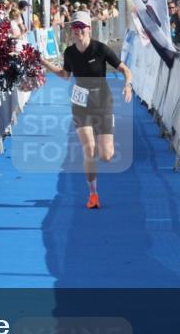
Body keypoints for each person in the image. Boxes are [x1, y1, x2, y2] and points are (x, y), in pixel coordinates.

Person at [40, 11, 133, 210]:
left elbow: (125, 69)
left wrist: (128, 84)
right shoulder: (70, 53)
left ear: (89, 29)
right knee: (88, 150)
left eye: (81, 27)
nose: (78, 31)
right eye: (75, 27)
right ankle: (93, 195)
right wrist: (45, 63)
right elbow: (66, 74)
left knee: (106, 156)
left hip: (102, 102)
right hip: (80, 103)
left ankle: (106, 136)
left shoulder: (101, 49)